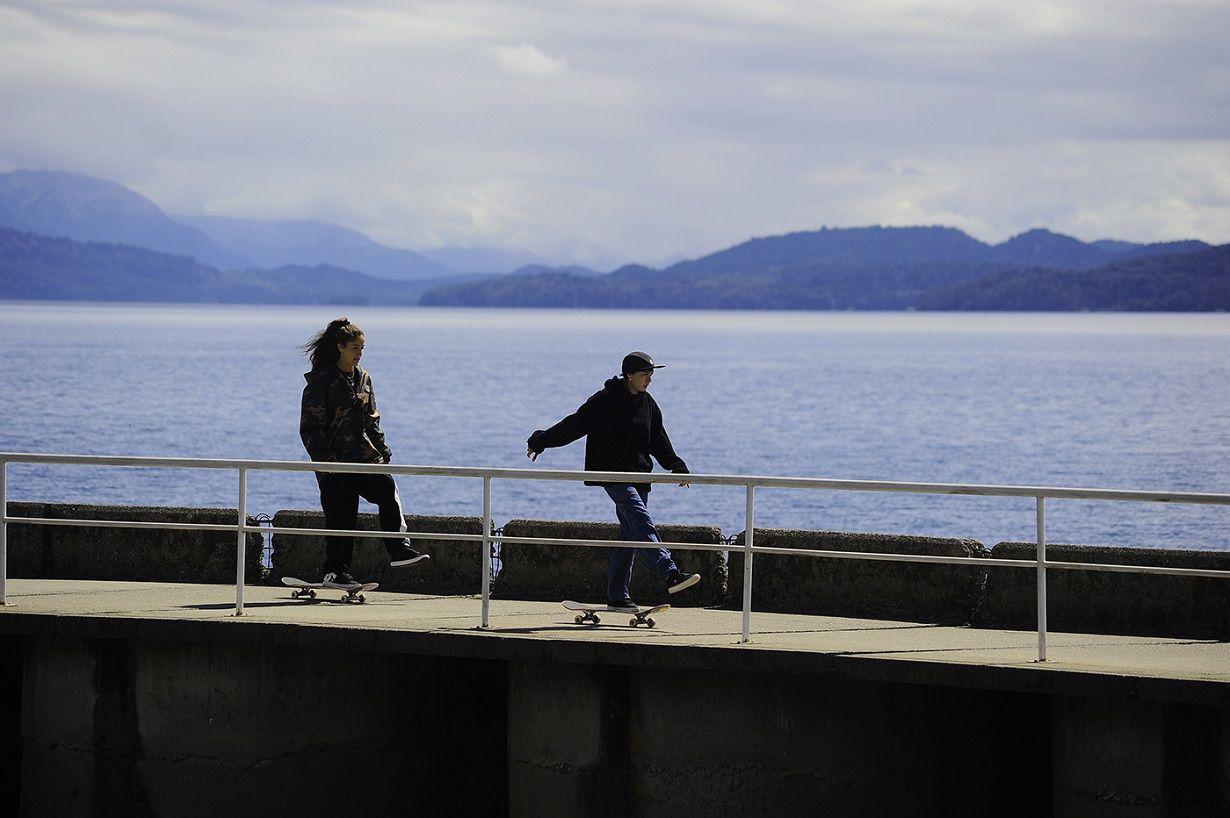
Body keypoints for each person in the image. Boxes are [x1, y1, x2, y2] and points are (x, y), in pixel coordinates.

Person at [526, 351, 700, 611]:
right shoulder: (604, 401)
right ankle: (670, 573)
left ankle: (617, 595)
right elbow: (574, 425)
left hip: (639, 476)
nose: (649, 379)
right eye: (645, 374)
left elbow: (658, 440)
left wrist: (676, 464)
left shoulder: (648, 404)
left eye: (652, 374)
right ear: (629, 375)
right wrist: (540, 440)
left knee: (629, 534)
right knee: (641, 520)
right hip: (613, 475)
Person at [299, 317, 428, 589]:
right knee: (342, 518)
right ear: (340, 347)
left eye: (362, 349)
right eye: (355, 348)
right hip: (335, 466)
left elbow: (372, 419)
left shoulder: (364, 379)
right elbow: (311, 429)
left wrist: (382, 450)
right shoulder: (321, 382)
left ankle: (398, 549)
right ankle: (335, 573)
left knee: (387, 490)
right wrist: (328, 464)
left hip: (364, 458)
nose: (359, 354)